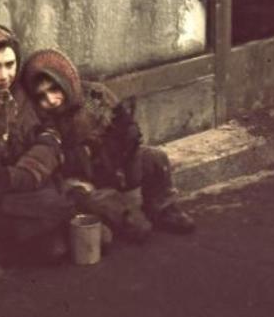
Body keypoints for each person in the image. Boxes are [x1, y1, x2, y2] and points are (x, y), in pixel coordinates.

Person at [21, 48, 196, 240]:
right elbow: (59, 160)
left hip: (113, 163)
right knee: (136, 227)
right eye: (41, 96)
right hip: (82, 179)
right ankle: (123, 216)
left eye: (55, 89)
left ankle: (163, 208)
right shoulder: (45, 120)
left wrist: (125, 163)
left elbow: (125, 130)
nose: (51, 100)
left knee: (155, 158)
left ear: (66, 81)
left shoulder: (92, 97)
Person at [0, 25, 78, 263]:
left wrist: (28, 172)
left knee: (55, 205)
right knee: (40, 215)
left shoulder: (21, 92)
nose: (4, 76)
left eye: (10, 65)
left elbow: (49, 134)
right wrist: (8, 179)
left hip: (28, 179)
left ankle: (39, 237)